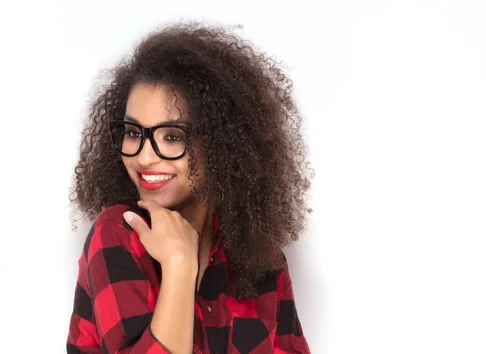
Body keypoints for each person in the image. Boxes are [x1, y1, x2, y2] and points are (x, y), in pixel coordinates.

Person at [66, 21, 313, 354]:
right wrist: (180, 266)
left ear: (221, 145)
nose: (145, 156)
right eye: (134, 133)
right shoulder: (118, 234)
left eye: (172, 137)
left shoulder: (262, 261)